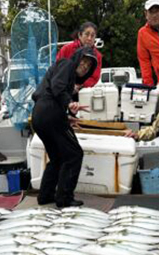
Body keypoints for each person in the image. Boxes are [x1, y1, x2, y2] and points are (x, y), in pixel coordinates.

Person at [32, 47, 98, 208]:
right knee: (74, 154)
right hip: (50, 115)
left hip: (40, 116)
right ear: (76, 58)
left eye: (89, 65)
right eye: (83, 61)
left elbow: (50, 94)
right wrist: (69, 103)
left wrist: (66, 117)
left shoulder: (66, 73)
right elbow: (57, 87)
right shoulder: (67, 64)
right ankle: (64, 198)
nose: (84, 66)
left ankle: (46, 195)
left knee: (57, 158)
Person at [57, 22, 102, 89]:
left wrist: (80, 85)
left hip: (83, 90)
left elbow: (94, 77)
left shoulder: (97, 55)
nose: (89, 38)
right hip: (62, 87)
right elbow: (58, 69)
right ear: (80, 35)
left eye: (92, 36)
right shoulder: (66, 49)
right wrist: (69, 85)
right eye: (86, 34)